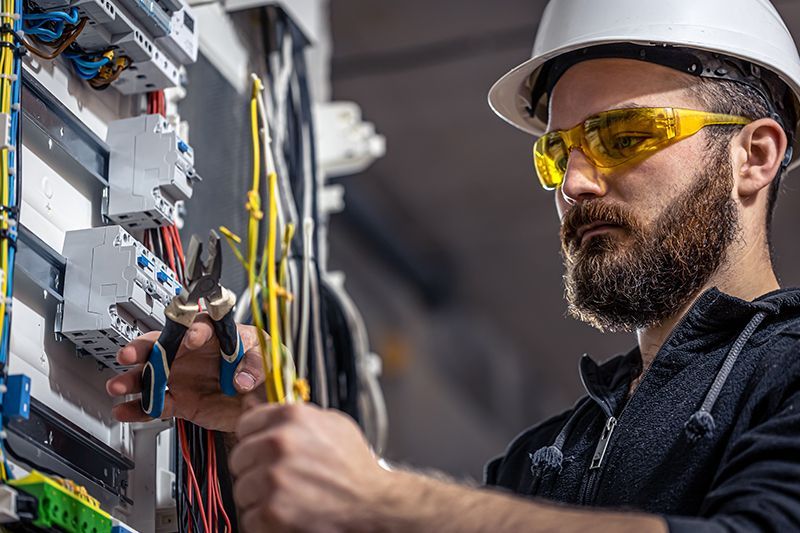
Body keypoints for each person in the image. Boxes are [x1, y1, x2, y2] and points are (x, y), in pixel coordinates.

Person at [106, 0, 800, 530]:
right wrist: (264, 428)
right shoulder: (545, 458)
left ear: (755, 156)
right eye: (558, 154)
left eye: (622, 135)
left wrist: (380, 496)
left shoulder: (786, 375)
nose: (576, 184)